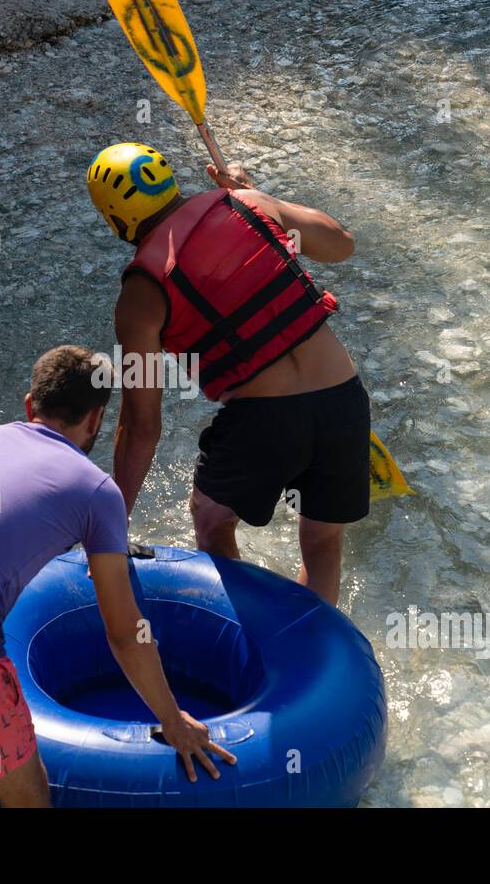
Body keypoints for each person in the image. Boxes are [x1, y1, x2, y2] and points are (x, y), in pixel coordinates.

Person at [0, 345, 235, 807]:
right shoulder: (97, 491)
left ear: (29, 404)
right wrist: (173, 720)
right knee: (29, 794)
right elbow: (123, 632)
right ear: (96, 420)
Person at [88, 142, 365, 606]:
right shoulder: (248, 205)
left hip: (264, 421)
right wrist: (257, 193)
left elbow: (141, 426)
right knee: (321, 542)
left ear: (116, 219)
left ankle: (251, 637)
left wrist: (111, 528)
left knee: (213, 520)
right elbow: (342, 243)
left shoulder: (141, 292)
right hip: (344, 397)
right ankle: (312, 655)